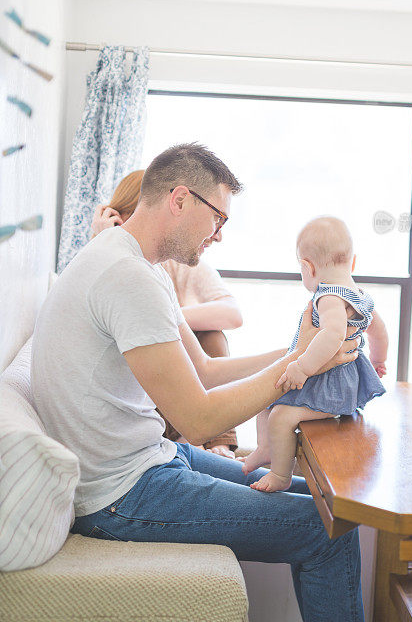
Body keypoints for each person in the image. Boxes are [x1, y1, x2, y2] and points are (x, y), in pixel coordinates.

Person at [31, 143, 365, 622]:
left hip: (149, 459)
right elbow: (197, 417)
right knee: (327, 529)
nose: (219, 236)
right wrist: (300, 368)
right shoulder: (126, 277)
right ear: (180, 199)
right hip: (120, 494)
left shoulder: (136, 262)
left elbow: (205, 372)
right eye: (219, 219)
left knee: (320, 498)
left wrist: (303, 352)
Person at [91, 169, 241, 458]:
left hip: (173, 402)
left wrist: (174, 316)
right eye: (216, 219)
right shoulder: (114, 267)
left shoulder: (179, 267)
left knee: (210, 333)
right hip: (140, 410)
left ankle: (217, 443)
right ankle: (204, 443)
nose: (216, 236)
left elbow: (232, 316)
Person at [242, 216, 388, 492]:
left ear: (307, 267)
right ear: (352, 262)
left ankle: (281, 476)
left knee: (280, 417)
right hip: (331, 380)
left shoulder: (328, 297)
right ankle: (265, 448)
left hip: (331, 388)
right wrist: (379, 360)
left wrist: (303, 367)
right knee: (264, 401)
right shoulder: (360, 295)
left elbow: (332, 336)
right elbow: (379, 331)